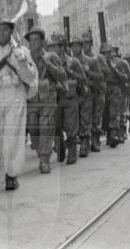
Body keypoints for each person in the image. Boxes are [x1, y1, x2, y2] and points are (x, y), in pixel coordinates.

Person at [0, 18, 36, 189]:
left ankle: (11, 174)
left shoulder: (21, 51)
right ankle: (9, 163)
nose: (2, 33)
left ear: (11, 31)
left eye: (5, 29)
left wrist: (23, 63)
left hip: (15, 93)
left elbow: (31, 78)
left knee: (13, 135)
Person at [25, 27, 66, 173]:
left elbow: (62, 76)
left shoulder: (51, 57)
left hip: (48, 97)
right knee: (33, 128)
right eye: (30, 40)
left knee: (46, 127)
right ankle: (41, 150)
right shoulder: (26, 58)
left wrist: (49, 65)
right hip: (32, 98)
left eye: (36, 39)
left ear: (42, 42)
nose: (32, 42)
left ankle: (44, 159)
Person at [48, 34, 85, 164]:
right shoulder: (49, 62)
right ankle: (60, 148)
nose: (52, 49)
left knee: (71, 127)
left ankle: (72, 152)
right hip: (55, 99)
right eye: (50, 47)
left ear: (62, 47)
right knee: (56, 126)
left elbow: (83, 79)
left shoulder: (73, 62)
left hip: (70, 97)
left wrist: (71, 73)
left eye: (55, 47)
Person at [70, 35, 100, 157]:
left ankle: (84, 143)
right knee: (73, 121)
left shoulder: (90, 61)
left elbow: (99, 77)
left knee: (85, 119)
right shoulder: (69, 61)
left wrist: (88, 72)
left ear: (81, 47)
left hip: (86, 94)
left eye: (77, 46)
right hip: (73, 95)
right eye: (73, 46)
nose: (75, 48)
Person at [81, 31, 109, 152]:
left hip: (97, 90)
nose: (84, 45)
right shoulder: (80, 58)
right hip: (86, 91)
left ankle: (95, 140)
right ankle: (86, 141)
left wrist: (95, 67)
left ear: (91, 43)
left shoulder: (98, 57)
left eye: (86, 43)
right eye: (82, 43)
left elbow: (106, 72)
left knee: (96, 117)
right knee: (85, 118)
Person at [99, 42, 129, 148]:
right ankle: (109, 135)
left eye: (108, 53)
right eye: (104, 53)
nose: (106, 55)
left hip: (114, 90)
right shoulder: (98, 63)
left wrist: (115, 69)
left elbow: (125, 78)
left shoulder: (118, 63)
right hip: (102, 90)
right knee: (105, 115)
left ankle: (114, 134)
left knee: (114, 113)